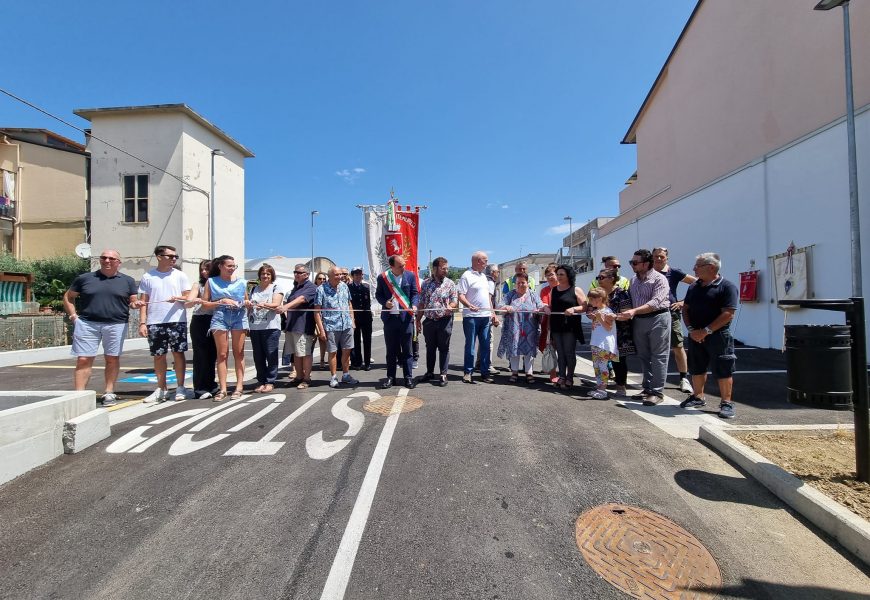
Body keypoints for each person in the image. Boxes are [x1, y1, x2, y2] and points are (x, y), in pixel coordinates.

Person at [63, 248, 140, 406]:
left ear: (118, 262)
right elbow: (68, 296)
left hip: (116, 324)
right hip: (87, 324)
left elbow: (132, 301)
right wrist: (73, 316)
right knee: (83, 359)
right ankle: (79, 396)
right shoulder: (85, 278)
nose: (107, 261)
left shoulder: (128, 281)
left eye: (111, 259)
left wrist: (135, 304)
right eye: (104, 257)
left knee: (112, 358)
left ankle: (109, 392)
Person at [680, 252, 739, 419]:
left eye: (697, 266)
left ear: (711, 267)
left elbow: (728, 313)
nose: (694, 269)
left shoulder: (727, 287)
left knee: (723, 368)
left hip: (718, 335)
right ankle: (698, 396)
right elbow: (686, 309)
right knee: (696, 366)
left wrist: (706, 331)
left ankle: (726, 402)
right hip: (695, 334)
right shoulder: (694, 286)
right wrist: (692, 330)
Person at [138, 245, 193, 403]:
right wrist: (143, 323)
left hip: (177, 320)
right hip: (155, 321)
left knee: (178, 354)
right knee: (158, 356)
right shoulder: (148, 277)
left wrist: (177, 298)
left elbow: (188, 296)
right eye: (170, 256)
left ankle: (181, 387)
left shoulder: (180, 275)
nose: (174, 259)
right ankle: (161, 389)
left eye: (175, 256)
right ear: (159, 257)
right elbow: (144, 302)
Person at [618, 249, 671, 406]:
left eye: (635, 262)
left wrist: (633, 311)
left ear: (646, 264)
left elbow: (656, 302)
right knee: (644, 356)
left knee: (659, 356)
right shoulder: (633, 280)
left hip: (658, 318)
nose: (632, 265)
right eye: (631, 262)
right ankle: (647, 389)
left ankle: (657, 392)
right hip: (639, 321)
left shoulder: (659, 279)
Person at [202, 255, 250, 401]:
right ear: (220, 266)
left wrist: (247, 303)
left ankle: (239, 386)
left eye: (234, 266)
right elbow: (205, 304)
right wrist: (222, 301)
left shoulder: (242, 282)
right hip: (220, 317)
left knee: (239, 352)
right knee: (222, 354)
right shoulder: (211, 282)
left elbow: (246, 300)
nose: (232, 268)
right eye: (229, 266)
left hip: (239, 317)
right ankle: (223, 389)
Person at [653, 247, 697, 394]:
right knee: (655, 348)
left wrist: (683, 302)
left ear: (667, 257)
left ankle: (684, 378)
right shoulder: (648, 273)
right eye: (656, 256)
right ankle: (654, 379)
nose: (659, 259)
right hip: (652, 315)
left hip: (671, 313)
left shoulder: (674, 272)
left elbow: (696, 284)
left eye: (661, 256)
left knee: (678, 346)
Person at [375, 254, 420, 389]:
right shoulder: (383, 278)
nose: (403, 268)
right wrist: (384, 303)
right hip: (390, 320)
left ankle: (408, 377)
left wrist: (414, 304)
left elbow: (415, 293)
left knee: (407, 350)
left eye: (404, 265)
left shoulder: (410, 276)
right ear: (391, 266)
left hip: (406, 319)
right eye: (400, 266)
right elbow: (378, 294)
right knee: (391, 350)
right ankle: (391, 377)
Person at [416, 256, 458, 387]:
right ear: (435, 269)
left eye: (447, 268)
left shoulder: (450, 283)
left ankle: (443, 374)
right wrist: (418, 320)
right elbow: (422, 302)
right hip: (429, 322)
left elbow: (454, 300)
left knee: (444, 348)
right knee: (430, 348)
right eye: (443, 268)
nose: (446, 270)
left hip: (444, 321)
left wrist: (451, 306)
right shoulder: (426, 283)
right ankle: (429, 372)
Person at [497, 272, 546, 383]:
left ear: (527, 283)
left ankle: (529, 373)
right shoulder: (510, 294)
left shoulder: (533, 295)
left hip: (530, 329)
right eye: (518, 283)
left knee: (529, 350)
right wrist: (506, 307)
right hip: (514, 329)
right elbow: (499, 307)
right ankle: (514, 372)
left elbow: (541, 305)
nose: (520, 285)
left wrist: (541, 309)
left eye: (523, 282)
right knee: (514, 349)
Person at [314, 266, 358, 389]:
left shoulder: (344, 286)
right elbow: (316, 311)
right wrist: (321, 329)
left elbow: (349, 303)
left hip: (346, 324)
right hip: (331, 326)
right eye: (337, 275)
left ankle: (346, 375)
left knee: (347, 350)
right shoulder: (321, 289)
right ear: (330, 276)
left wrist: (352, 320)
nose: (340, 277)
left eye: (341, 274)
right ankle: (333, 377)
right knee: (333, 352)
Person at [458, 251, 498, 384]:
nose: (487, 263)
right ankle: (468, 372)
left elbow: (488, 297)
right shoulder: (466, 276)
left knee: (486, 345)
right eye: (485, 260)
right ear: (477, 261)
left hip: (485, 316)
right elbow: (461, 295)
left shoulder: (483, 277)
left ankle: (484, 373)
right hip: (471, 317)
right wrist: (469, 305)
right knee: (470, 345)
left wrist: (493, 313)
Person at [277, 264, 319, 389]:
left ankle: (306, 378)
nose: (296, 274)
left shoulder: (311, 287)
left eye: (299, 272)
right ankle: (299, 376)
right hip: (292, 325)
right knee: (296, 353)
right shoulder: (296, 287)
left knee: (305, 353)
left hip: (303, 326)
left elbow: (301, 299)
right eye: (295, 272)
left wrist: (286, 307)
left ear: (306, 274)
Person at [596, 268, 635, 396]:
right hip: (603, 332)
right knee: (602, 360)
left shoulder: (621, 293)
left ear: (612, 278)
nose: (599, 280)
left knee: (619, 360)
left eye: (601, 277)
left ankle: (621, 385)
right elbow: (591, 307)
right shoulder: (599, 294)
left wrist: (615, 316)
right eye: (598, 278)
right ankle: (602, 385)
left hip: (620, 332)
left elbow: (627, 313)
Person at [548, 264, 587, 390]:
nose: (558, 277)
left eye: (561, 274)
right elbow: (551, 306)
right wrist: (546, 308)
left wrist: (574, 308)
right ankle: (562, 376)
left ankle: (570, 378)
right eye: (557, 274)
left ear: (568, 275)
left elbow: (585, 307)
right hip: (556, 326)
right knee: (560, 353)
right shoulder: (554, 290)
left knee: (569, 353)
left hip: (570, 326)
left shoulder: (576, 290)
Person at [249, 263, 284, 393]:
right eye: (263, 273)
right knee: (258, 356)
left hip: (271, 327)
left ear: (272, 276)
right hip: (255, 326)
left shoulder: (276, 287)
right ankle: (261, 380)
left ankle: (270, 381)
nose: (265, 276)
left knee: (271, 355)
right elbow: (249, 306)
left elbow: (276, 303)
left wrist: (264, 304)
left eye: (268, 274)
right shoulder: (254, 289)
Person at [189, 259, 217, 399]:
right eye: (202, 270)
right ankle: (199, 388)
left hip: (216, 321)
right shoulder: (198, 285)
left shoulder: (218, 284)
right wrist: (195, 300)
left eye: (207, 269)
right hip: (200, 321)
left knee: (213, 354)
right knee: (201, 355)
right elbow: (188, 302)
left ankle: (211, 385)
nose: (204, 272)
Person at [586, 288, 618, 400]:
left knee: (603, 366)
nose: (590, 301)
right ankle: (599, 386)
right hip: (596, 343)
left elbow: (608, 328)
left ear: (599, 299)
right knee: (596, 366)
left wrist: (599, 318)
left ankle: (603, 389)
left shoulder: (608, 312)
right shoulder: (597, 310)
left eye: (591, 299)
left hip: (604, 344)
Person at [538, 263, 560, 384]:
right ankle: (553, 373)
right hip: (548, 325)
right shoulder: (545, 290)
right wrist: (546, 307)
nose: (550, 277)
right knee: (550, 349)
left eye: (552, 274)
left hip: (563, 324)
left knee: (562, 349)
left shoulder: (564, 287)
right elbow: (544, 303)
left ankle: (563, 374)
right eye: (547, 275)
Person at [348, 267, 373, 371]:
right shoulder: (348, 287)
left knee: (367, 340)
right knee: (356, 341)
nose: (359, 276)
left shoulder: (366, 287)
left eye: (361, 274)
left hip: (366, 318)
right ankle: (358, 362)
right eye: (357, 274)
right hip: (355, 318)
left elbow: (368, 303)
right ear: (352, 276)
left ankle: (367, 363)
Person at [313, 272, 328, 369]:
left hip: (324, 318)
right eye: (320, 278)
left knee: (323, 340)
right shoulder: (312, 290)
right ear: (316, 280)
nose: (322, 280)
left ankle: (322, 359)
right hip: (313, 319)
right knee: (312, 340)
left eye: (324, 279)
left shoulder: (327, 290)